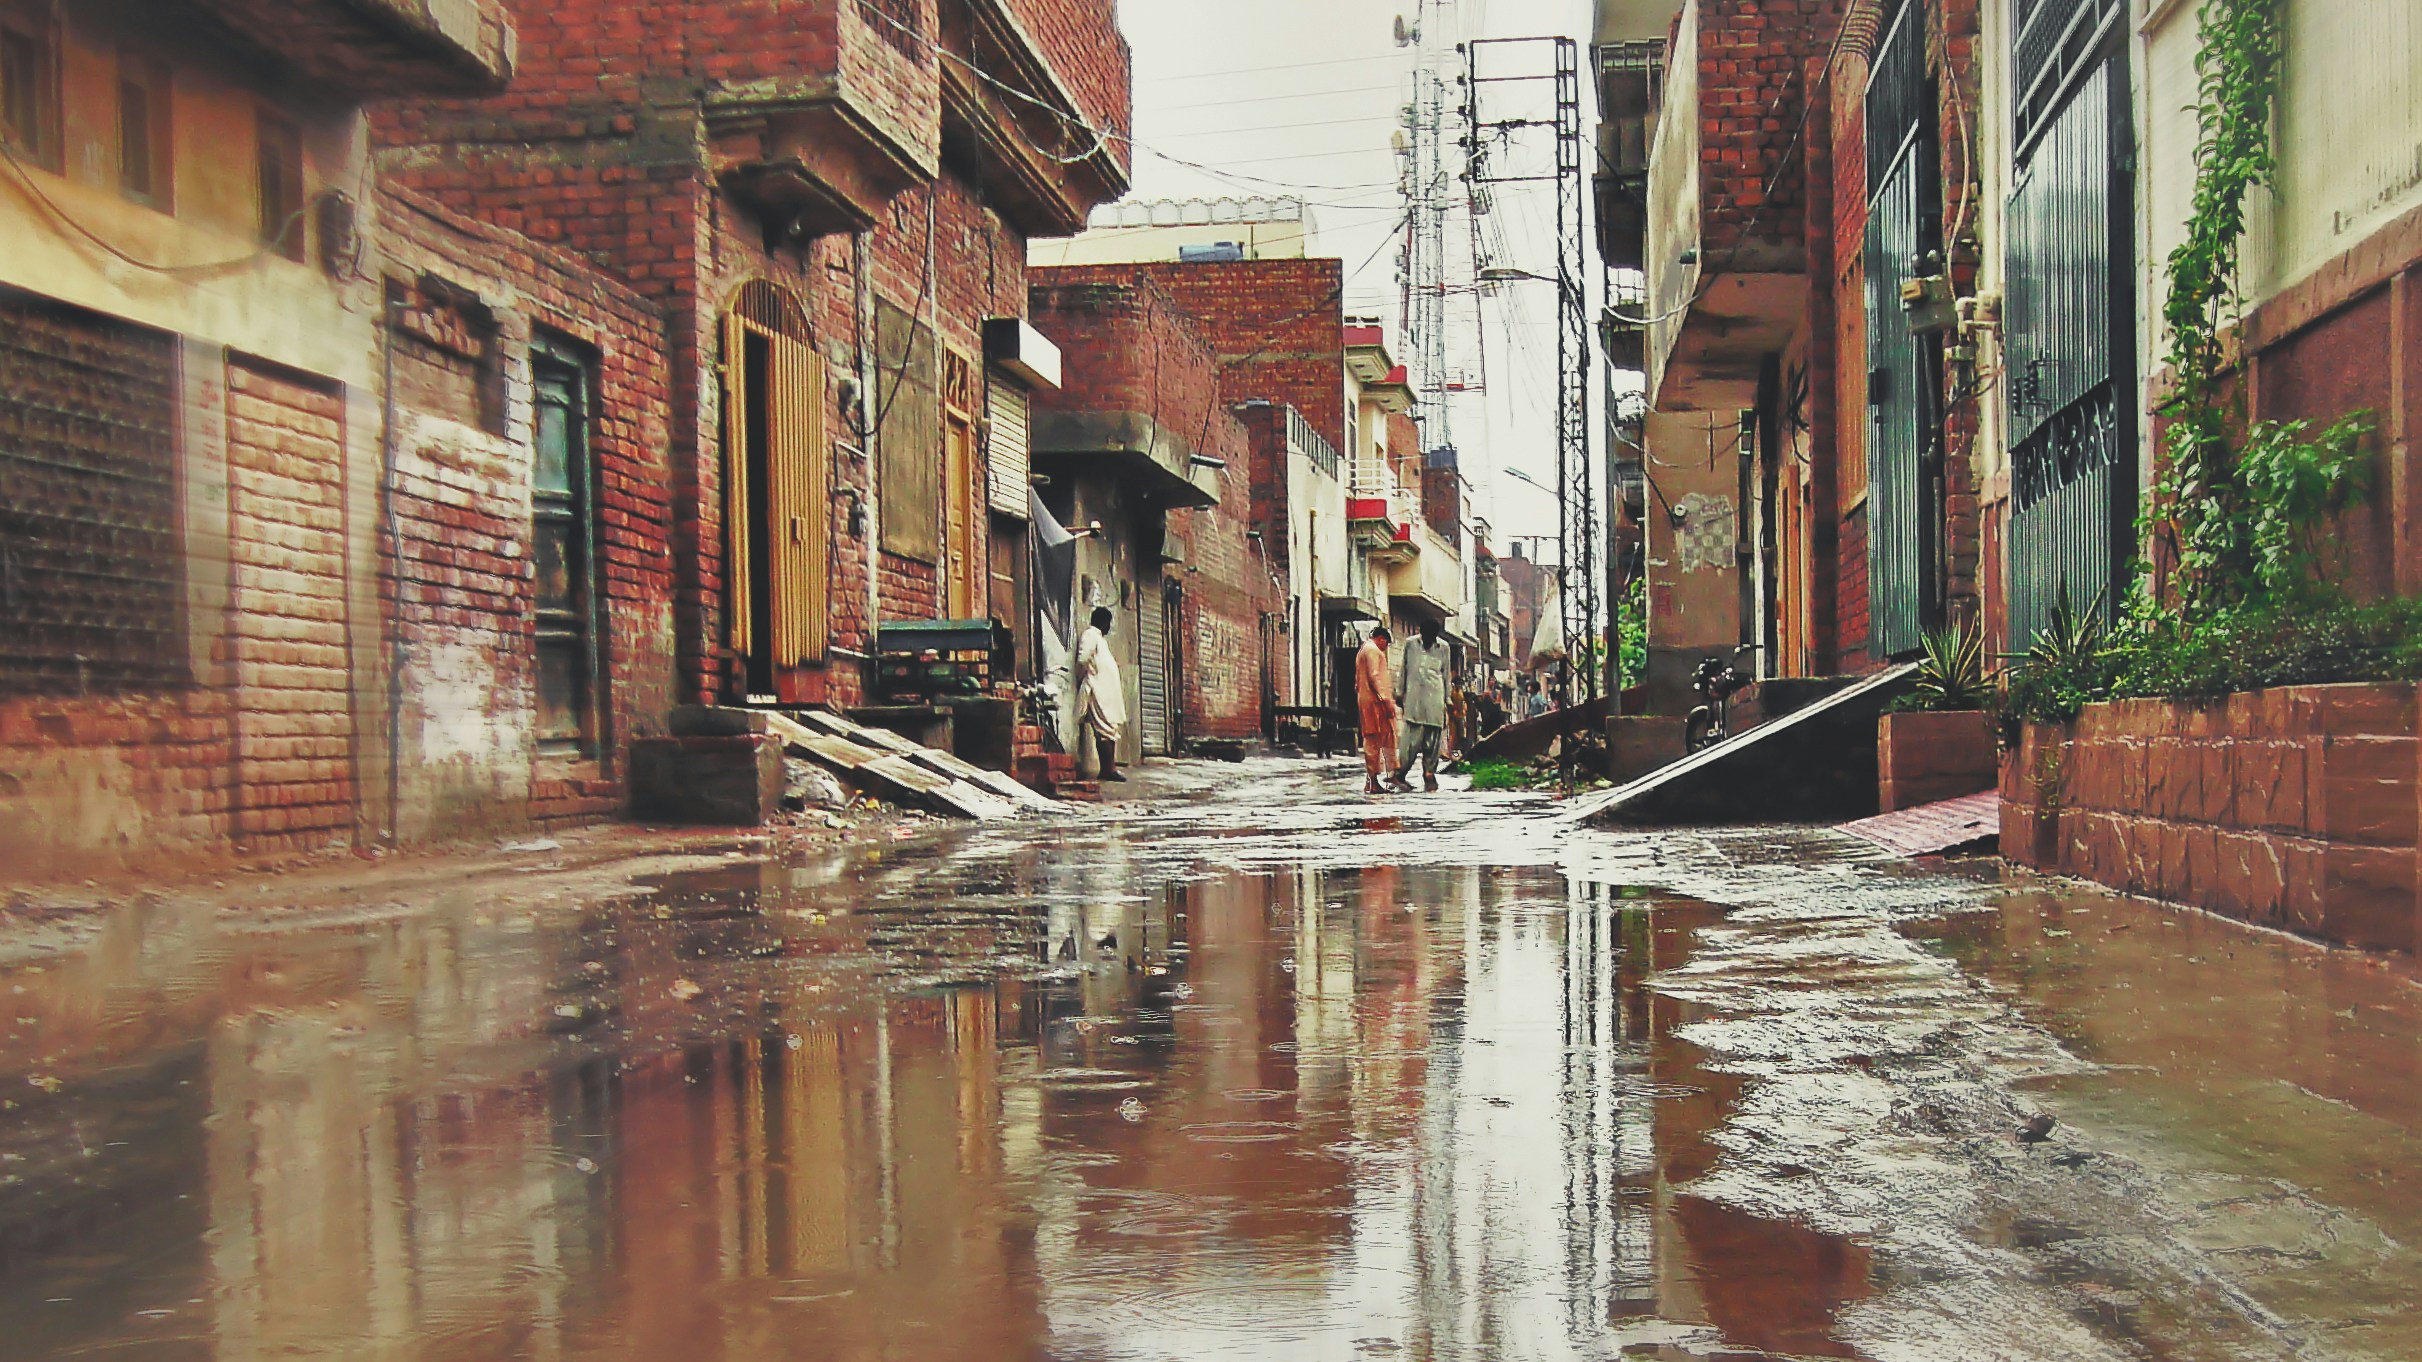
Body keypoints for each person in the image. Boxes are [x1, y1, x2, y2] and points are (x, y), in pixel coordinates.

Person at [1393, 619, 1451, 792]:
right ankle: (1400, 774)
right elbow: (1404, 668)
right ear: (1421, 633)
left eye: (1431, 637)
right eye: (1425, 636)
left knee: (1433, 741)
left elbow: (1446, 675)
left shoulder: (1444, 648)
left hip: (1435, 700)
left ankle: (1429, 774)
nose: (1428, 639)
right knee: (1410, 741)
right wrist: (1399, 691)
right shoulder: (1411, 644)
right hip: (1414, 699)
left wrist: (1447, 700)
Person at [1074, 606, 1128, 782]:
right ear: (1103, 622)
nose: (1109, 627)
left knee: (1110, 728)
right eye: (1108, 623)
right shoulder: (1090, 635)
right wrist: (1088, 677)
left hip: (1105, 691)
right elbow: (1082, 659)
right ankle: (1107, 770)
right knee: (1104, 729)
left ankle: (1109, 768)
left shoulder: (1098, 638)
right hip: (1097, 689)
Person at [1353, 626, 1398, 795]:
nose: (1385, 647)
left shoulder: (1363, 651)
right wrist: (1386, 701)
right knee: (1375, 740)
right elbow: (1375, 677)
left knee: (1376, 739)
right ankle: (1374, 781)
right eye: (1386, 643)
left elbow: (1357, 682)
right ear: (1381, 638)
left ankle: (1373, 779)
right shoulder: (1373, 651)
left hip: (1368, 700)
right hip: (1375, 702)